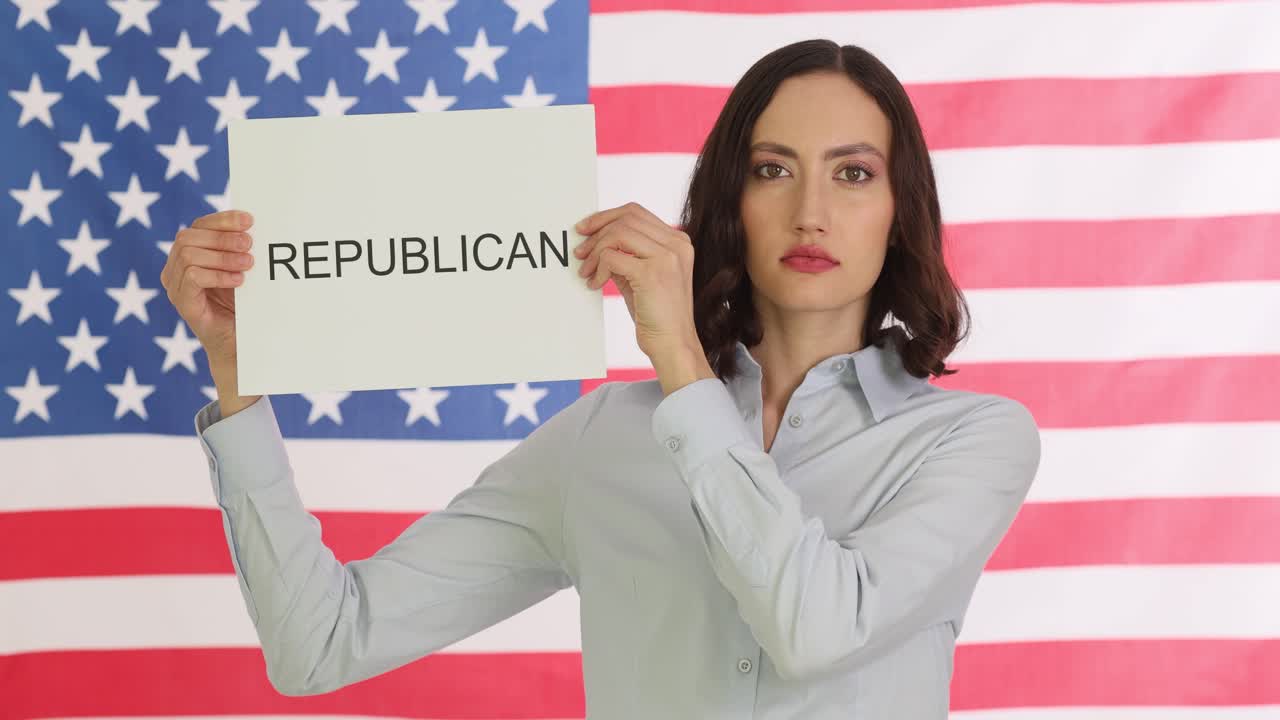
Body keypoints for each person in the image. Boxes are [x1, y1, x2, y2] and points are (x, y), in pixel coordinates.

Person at [160, 38, 1041, 718]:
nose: (810, 211)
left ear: (900, 211)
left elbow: (816, 630)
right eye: (773, 170)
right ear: (730, 197)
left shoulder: (973, 440)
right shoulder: (601, 440)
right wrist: (239, 375)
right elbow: (318, 644)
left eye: (854, 174)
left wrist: (682, 363)